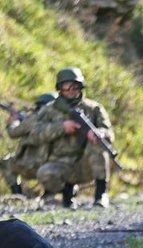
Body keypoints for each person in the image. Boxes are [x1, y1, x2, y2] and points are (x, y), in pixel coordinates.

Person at [32, 67, 114, 208]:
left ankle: (101, 194)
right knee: (44, 173)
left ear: (81, 87)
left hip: (87, 163)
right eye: (66, 87)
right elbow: (35, 133)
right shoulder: (49, 110)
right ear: (59, 89)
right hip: (60, 163)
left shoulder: (94, 108)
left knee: (98, 142)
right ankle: (67, 194)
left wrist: (100, 133)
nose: (71, 90)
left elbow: (109, 132)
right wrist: (61, 127)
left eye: (75, 86)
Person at [0, 92, 58, 195]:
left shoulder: (32, 119)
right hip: (54, 167)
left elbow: (13, 133)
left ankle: (17, 194)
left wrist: (12, 123)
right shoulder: (60, 122)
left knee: (4, 163)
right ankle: (49, 193)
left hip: (30, 166)